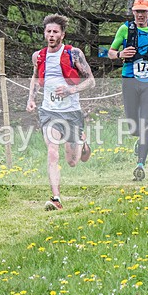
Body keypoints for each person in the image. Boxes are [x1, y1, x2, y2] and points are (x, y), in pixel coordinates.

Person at [27, 14, 95, 211]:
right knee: (52, 151)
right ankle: (56, 198)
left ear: (62, 35)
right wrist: (31, 99)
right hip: (49, 112)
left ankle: (83, 143)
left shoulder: (74, 54)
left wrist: (70, 90)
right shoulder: (38, 56)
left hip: (72, 112)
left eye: (55, 32)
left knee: (73, 161)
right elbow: (34, 77)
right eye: (48, 31)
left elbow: (91, 80)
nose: (51, 35)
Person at [108, 0, 148, 181]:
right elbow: (111, 52)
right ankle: (139, 140)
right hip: (130, 80)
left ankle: (140, 164)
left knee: (146, 123)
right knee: (133, 126)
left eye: (143, 12)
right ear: (133, 12)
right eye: (137, 11)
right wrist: (120, 54)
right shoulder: (125, 29)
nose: (140, 15)